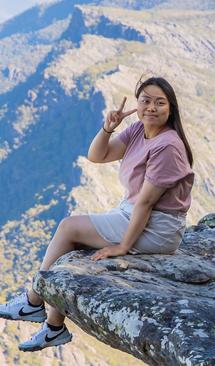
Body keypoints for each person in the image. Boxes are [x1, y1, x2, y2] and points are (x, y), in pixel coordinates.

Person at [0, 76, 194, 352]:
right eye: (145, 101)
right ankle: (53, 327)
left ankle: (33, 301)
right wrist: (107, 128)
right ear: (137, 104)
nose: (151, 108)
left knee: (69, 228)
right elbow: (98, 156)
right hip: (133, 213)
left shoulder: (168, 147)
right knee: (72, 240)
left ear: (171, 108)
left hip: (158, 227)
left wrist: (122, 246)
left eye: (159, 103)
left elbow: (146, 204)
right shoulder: (139, 130)